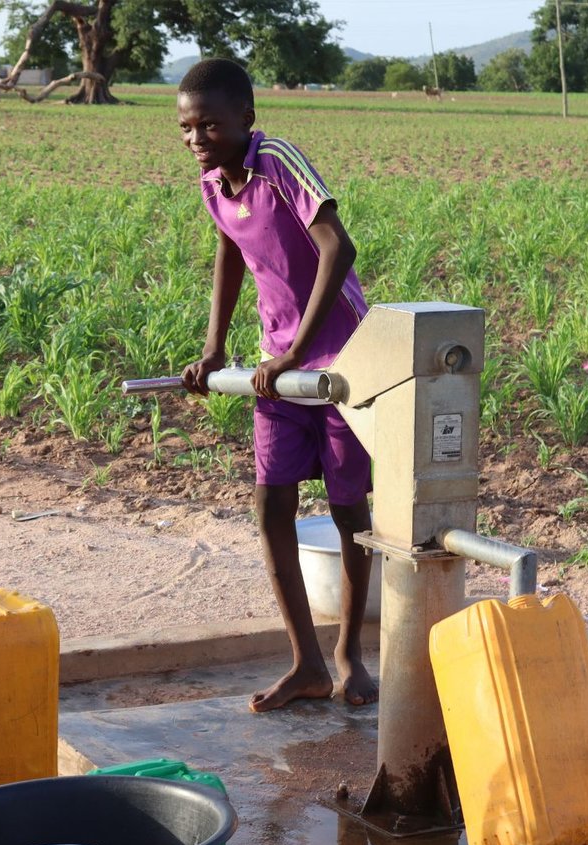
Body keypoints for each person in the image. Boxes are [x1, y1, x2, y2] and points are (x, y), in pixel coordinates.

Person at [176, 59, 378, 712]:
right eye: (186, 127)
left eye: (209, 123)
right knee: (271, 507)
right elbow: (232, 252)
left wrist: (294, 350)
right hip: (278, 368)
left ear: (246, 119)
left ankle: (350, 654)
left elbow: (336, 249)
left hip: (342, 365)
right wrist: (213, 348)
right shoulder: (213, 183)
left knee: (350, 513)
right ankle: (307, 664)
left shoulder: (279, 162)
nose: (197, 137)